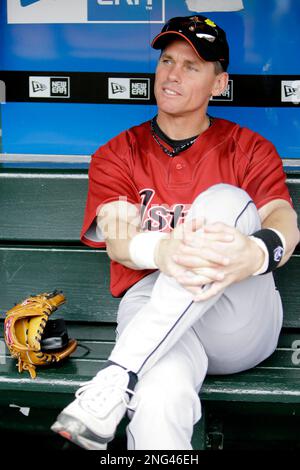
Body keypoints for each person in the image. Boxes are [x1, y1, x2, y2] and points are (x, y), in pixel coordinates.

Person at [51, 15, 299, 450]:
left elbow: (281, 216)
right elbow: (120, 241)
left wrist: (258, 254)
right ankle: (126, 384)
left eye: (191, 66)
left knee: (222, 200)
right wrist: (166, 250)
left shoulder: (250, 148)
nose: (172, 74)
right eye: (167, 60)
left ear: (218, 84)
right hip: (156, 324)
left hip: (237, 321)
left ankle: (118, 373)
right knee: (159, 394)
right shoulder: (117, 154)